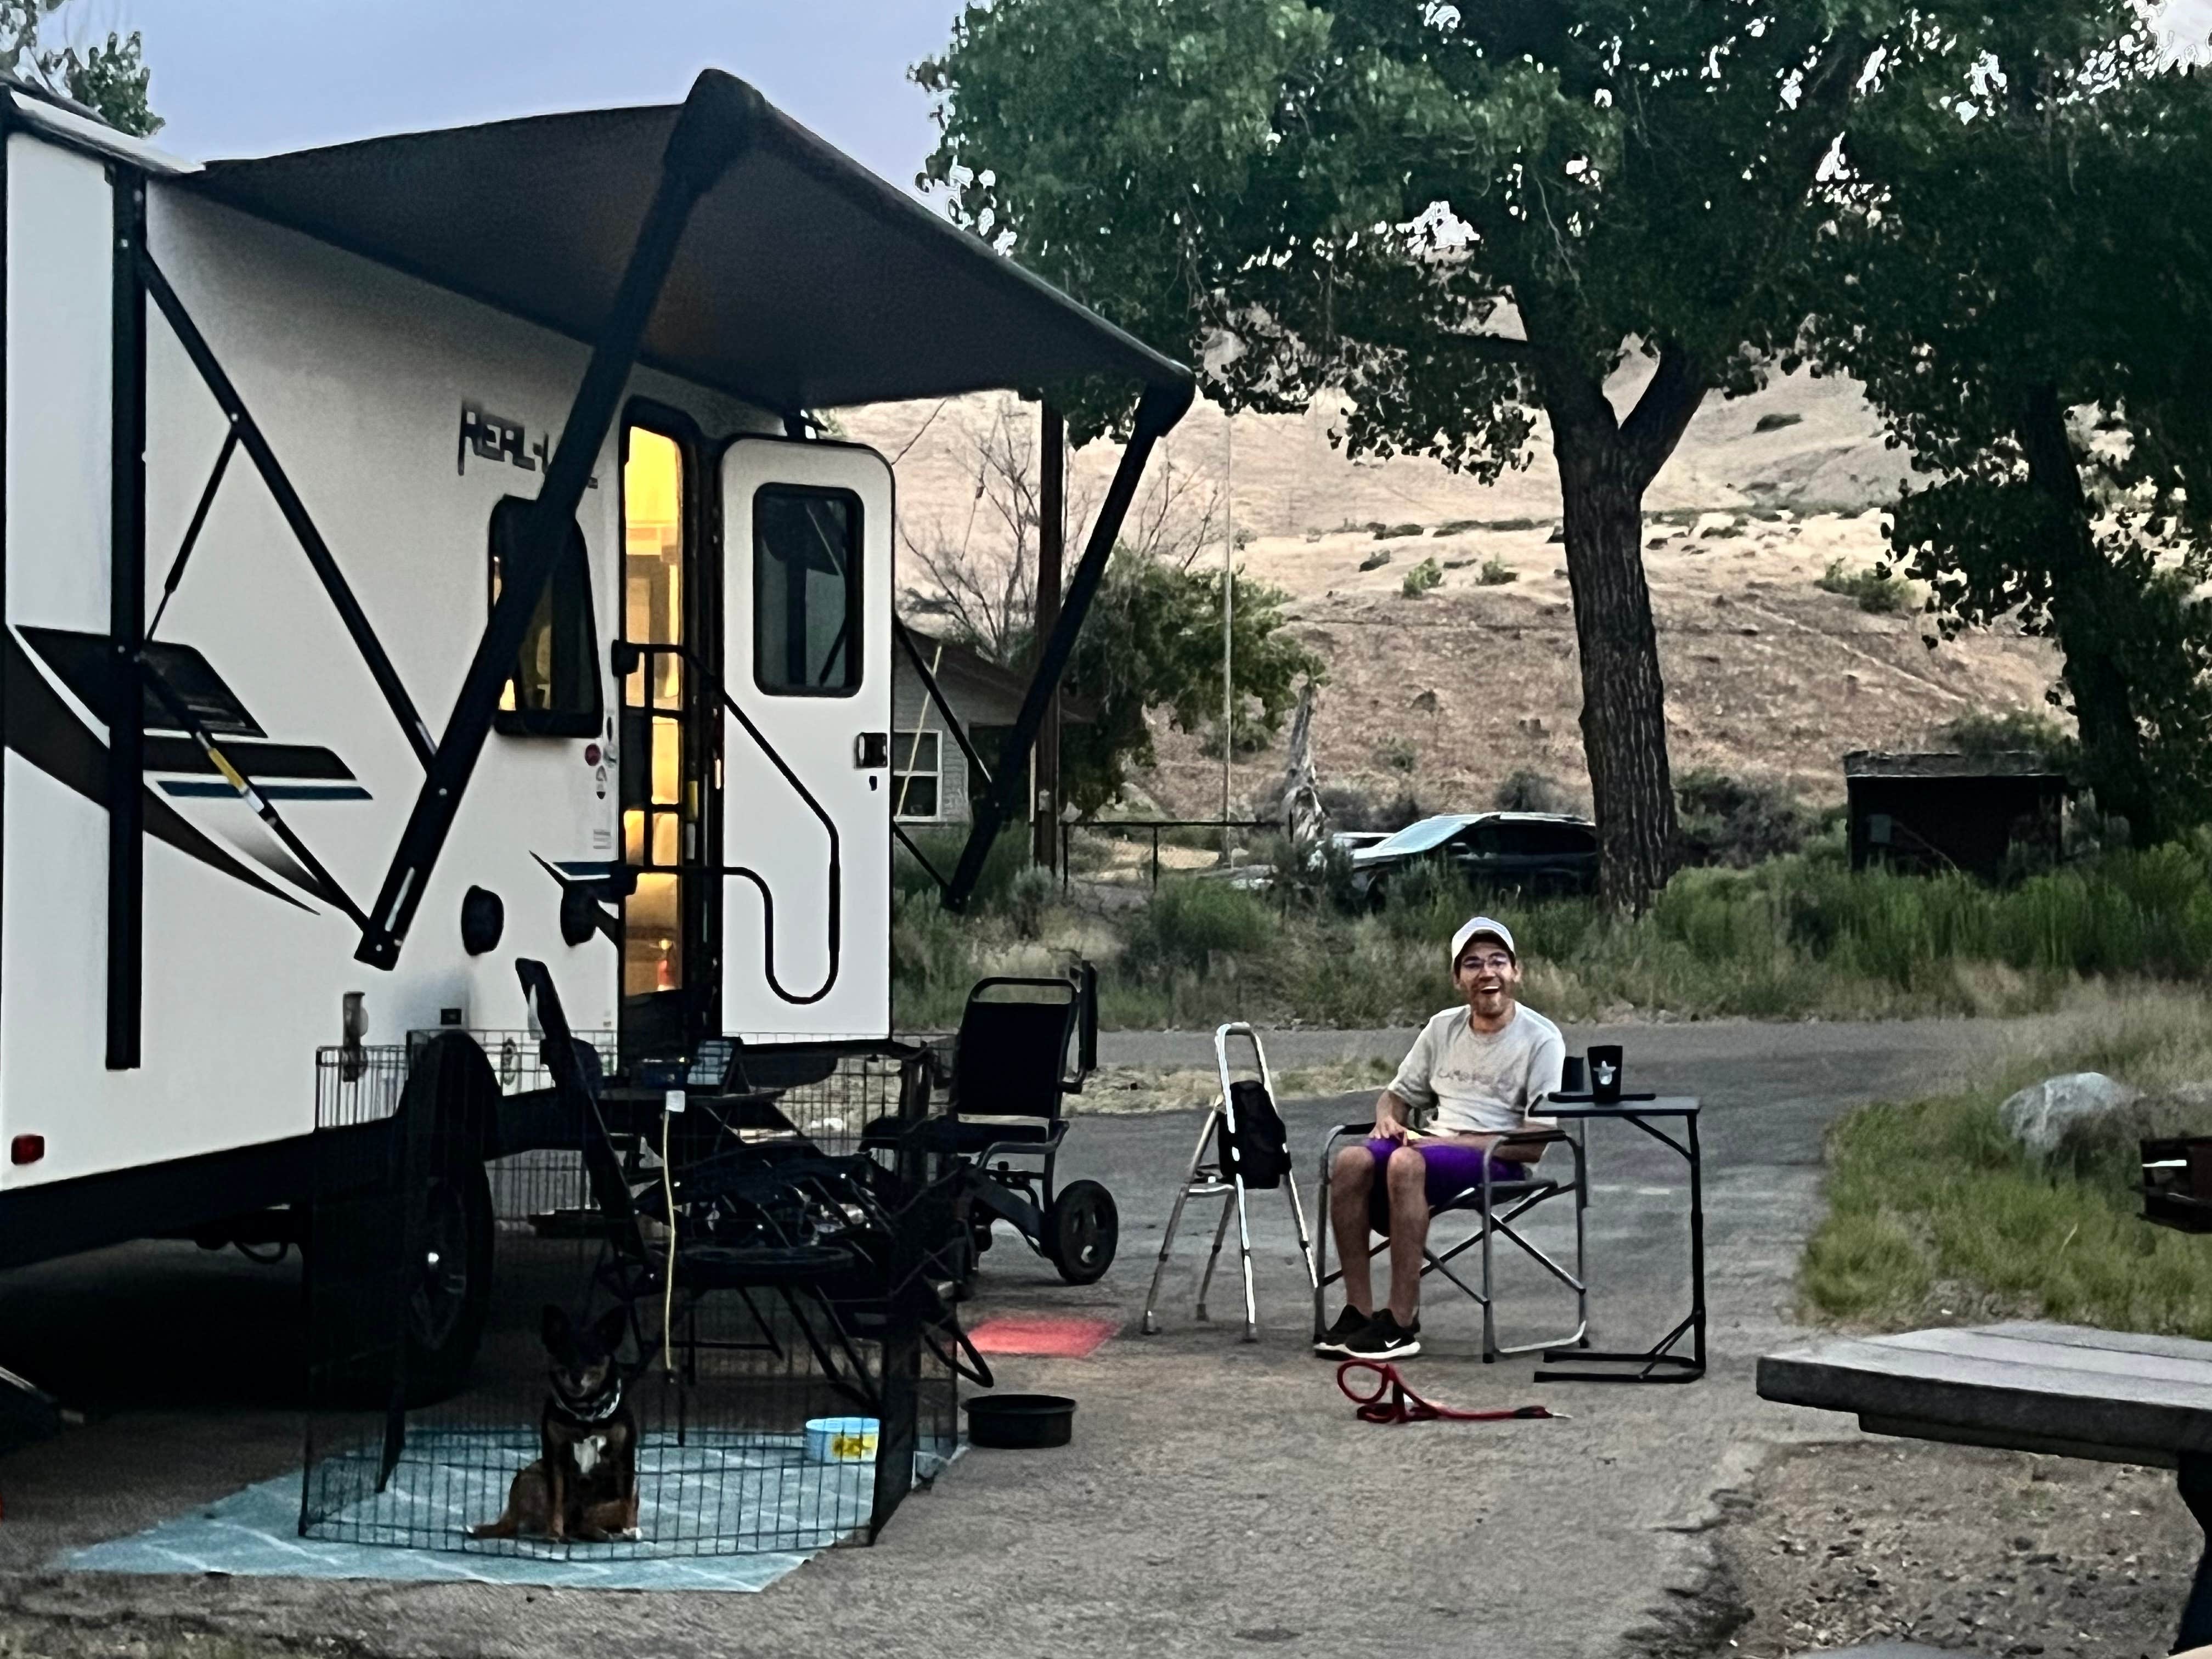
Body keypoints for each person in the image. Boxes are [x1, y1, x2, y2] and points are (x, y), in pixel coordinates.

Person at [1315, 915, 1565, 1361]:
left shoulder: (1542, 1040)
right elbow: (1396, 1095)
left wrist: (1441, 1145)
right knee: (1352, 1160)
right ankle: (1359, 1311)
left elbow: (1535, 1143)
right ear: (1457, 979)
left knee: (1406, 1163)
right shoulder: (1441, 1029)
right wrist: (1388, 1118)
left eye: (1498, 961)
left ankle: (1402, 1322)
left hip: (1497, 1159)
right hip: (1429, 1148)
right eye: (1472, 964)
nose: (1487, 973)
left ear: (1516, 971)